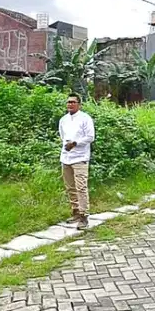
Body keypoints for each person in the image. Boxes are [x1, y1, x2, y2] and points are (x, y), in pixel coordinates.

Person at [59, 93, 95, 230]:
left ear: (79, 104)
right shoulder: (63, 120)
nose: (70, 104)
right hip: (66, 157)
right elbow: (62, 136)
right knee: (70, 187)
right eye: (68, 102)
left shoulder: (85, 118)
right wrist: (68, 145)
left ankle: (84, 216)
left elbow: (90, 137)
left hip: (80, 157)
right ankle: (75, 212)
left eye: (73, 102)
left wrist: (75, 143)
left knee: (81, 187)